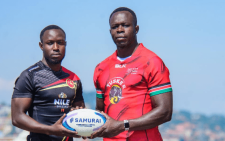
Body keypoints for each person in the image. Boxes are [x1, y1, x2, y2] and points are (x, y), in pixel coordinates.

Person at [92, 7, 173, 141]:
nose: (120, 30)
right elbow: (100, 113)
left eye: (125, 25)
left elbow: (165, 112)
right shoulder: (101, 68)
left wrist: (122, 126)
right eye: (115, 27)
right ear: (110, 31)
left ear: (136, 29)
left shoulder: (151, 62)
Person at [11, 25, 85, 141]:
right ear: (41, 46)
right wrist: (51, 129)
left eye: (60, 43)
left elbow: (80, 113)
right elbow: (17, 118)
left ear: (65, 44)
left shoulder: (74, 78)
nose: (56, 47)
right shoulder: (29, 76)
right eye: (50, 43)